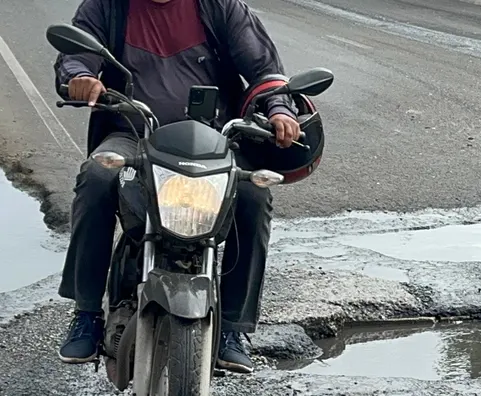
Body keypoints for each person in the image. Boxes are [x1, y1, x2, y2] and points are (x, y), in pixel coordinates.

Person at [54, 0, 302, 374]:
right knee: (97, 177)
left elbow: (264, 69)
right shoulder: (107, 6)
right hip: (134, 131)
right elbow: (78, 54)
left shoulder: (220, 7)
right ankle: (86, 313)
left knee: (253, 194)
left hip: (213, 139)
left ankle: (233, 329)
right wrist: (80, 76)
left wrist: (280, 109)